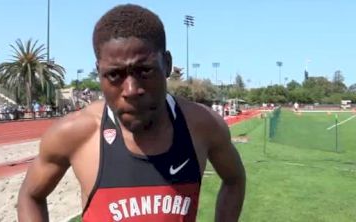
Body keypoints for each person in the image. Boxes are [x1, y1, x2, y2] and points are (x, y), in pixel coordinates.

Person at [17, 4, 246, 222]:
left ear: (166, 64)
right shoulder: (75, 133)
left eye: (145, 71)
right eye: (115, 75)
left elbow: (234, 179)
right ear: (99, 72)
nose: (131, 90)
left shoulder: (202, 125)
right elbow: (30, 195)